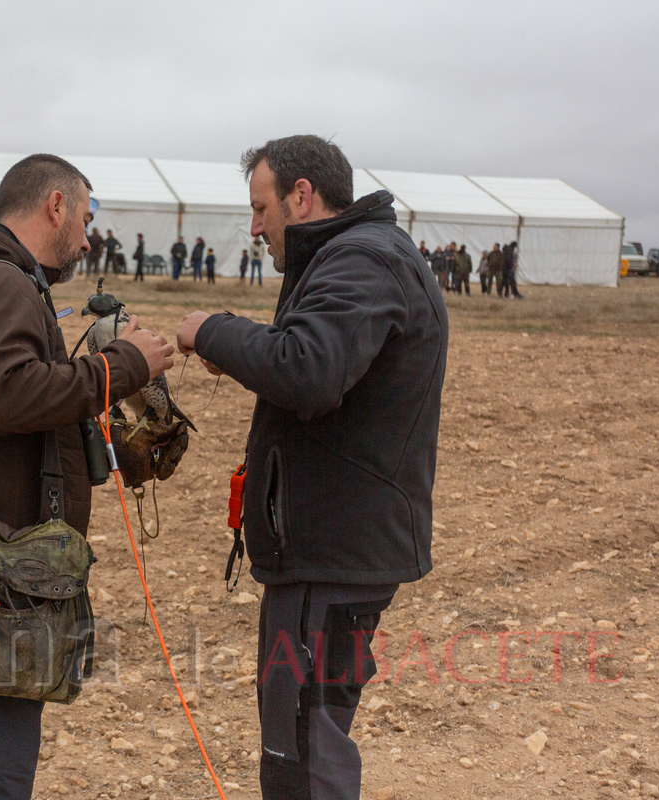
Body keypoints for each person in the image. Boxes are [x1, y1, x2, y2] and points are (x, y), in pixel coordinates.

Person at [176, 134, 446, 799]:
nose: (255, 224)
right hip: (338, 554)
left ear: (302, 195)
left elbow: (309, 370)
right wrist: (244, 346)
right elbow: (309, 353)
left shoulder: (361, 261)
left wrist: (207, 329)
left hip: (330, 559)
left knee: (303, 754)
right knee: (309, 737)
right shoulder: (359, 256)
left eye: (261, 206)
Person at [0, 154, 173, 800]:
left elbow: (11, 402)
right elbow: (6, 395)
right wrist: (121, 367)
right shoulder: (0, 282)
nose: (86, 238)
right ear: (55, 206)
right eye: (84, 218)